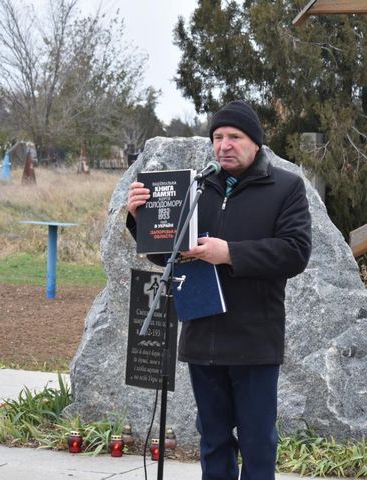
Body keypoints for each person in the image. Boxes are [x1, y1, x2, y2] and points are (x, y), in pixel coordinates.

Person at [125, 100, 312, 479]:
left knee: (258, 445)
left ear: (255, 142)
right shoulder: (196, 188)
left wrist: (229, 253)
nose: (224, 145)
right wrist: (137, 218)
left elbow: (295, 252)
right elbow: (168, 254)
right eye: (218, 137)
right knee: (213, 443)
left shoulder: (286, 188)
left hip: (254, 342)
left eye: (235, 137)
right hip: (203, 339)